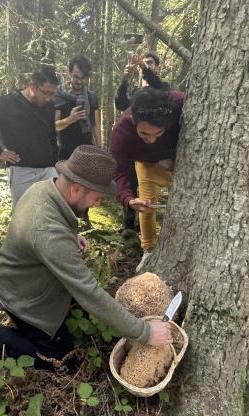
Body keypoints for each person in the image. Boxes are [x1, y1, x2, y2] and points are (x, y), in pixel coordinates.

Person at [0, 145, 173, 370]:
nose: (97, 204)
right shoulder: (48, 233)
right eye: (97, 198)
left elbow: (49, 227)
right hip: (23, 298)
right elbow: (88, 292)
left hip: (22, 278)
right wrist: (144, 332)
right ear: (76, 189)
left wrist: (70, 235)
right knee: (64, 361)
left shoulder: (44, 189)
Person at [110, 87, 185, 273]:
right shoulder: (121, 133)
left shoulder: (177, 103)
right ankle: (148, 250)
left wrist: (174, 160)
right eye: (144, 134)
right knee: (147, 205)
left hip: (182, 165)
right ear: (134, 120)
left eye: (158, 133)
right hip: (146, 165)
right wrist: (128, 199)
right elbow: (118, 173)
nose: (151, 140)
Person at [0, 65, 60, 207]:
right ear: (32, 86)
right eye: (46, 93)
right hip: (22, 170)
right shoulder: (9, 103)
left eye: (52, 94)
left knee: (54, 211)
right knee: (23, 215)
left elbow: (51, 134)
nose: (49, 98)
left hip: (48, 170)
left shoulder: (49, 106)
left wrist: (55, 163)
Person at [114, 52, 170, 232]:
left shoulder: (164, 91)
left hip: (161, 157)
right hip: (136, 151)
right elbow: (121, 103)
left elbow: (160, 88)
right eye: (144, 63)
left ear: (157, 67)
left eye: (150, 63)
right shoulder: (136, 94)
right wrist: (125, 80)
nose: (146, 65)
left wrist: (144, 69)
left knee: (150, 193)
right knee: (131, 183)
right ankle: (129, 224)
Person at [53, 55, 100, 160]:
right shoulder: (59, 95)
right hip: (65, 154)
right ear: (69, 73)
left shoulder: (91, 97)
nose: (79, 81)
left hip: (87, 153)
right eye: (76, 77)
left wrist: (99, 149)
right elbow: (53, 127)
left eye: (83, 78)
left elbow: (96, 125)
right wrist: (70, 119)